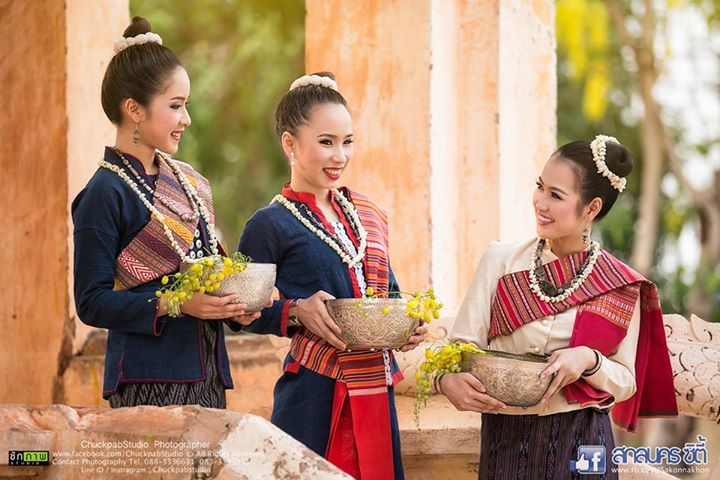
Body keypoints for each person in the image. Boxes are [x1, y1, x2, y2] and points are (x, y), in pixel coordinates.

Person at [440, 136, 678, 479]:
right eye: (540, 187)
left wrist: (589, 359)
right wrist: (446, 380)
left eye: (556, 195)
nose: (541, 203)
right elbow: (460, 347)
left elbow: (626, 381)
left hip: (582, 439)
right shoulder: (501, 261)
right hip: (506, 438)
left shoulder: (619, 284)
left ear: (591, 209)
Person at [238, 72, 426, 479]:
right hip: (313, 396)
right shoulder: (268, 224)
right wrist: (294, 311)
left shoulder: (366, 215)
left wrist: (407, 322)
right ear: (290, 144)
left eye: (347, 142)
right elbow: (241, 313)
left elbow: (388, 292)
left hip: (375, 387)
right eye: (326, 143)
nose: (340, 155)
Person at [72, 17, 257, 408]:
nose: (186, 119)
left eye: (185, 105)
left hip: (208, 378)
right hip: (147, 382)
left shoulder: (189, 183)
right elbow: (91, 302)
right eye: (175, 106)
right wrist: (175, 302)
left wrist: (232, 307)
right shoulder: (105, 193)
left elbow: (205, 272)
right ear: (134, 110)